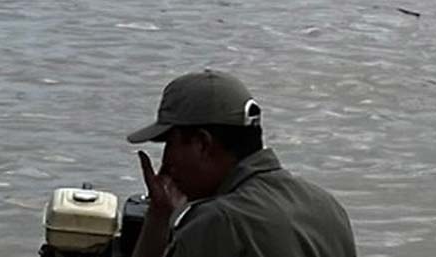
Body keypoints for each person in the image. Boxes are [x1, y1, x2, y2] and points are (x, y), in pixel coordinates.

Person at [127, 69, 357, 257]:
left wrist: (156, 221)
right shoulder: (326, 205)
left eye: (170, 143)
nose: (166, 163)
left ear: (202, 144)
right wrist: (161, 213)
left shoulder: (216, 222)